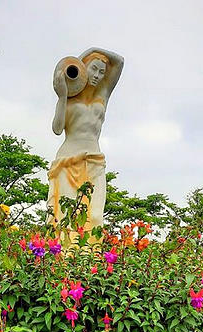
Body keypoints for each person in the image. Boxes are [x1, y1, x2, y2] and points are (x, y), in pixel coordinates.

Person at [47, 47, 124, 238]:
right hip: (67, 160)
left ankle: (90, 260)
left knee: (95, 215)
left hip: (94, 160)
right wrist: (63, 95)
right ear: (84, 68)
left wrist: (93, 50)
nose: (97, 75)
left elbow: (119, 61)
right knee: (65, 216)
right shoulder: (69, 98)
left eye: (101, 72)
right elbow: (57, 129)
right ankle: (64, 260)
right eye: (93, 69)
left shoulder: (103, 94)